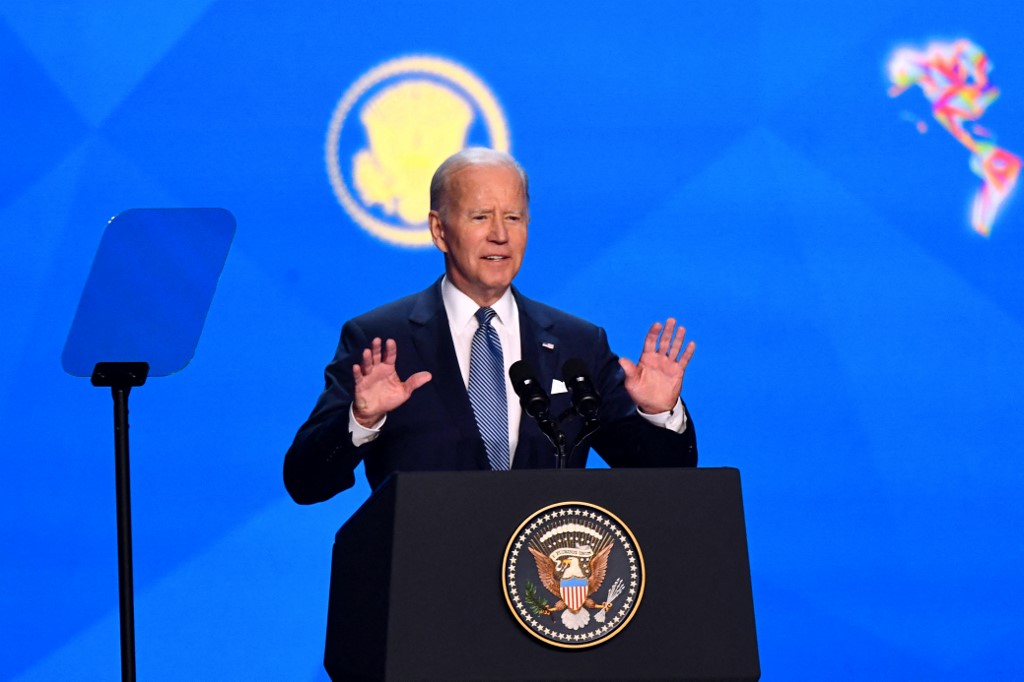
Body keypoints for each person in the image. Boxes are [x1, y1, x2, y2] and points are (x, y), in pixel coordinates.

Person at [284, 148, 697, 504]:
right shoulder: (380, 340)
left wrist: (659, 413)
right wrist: (363, 419)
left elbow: (659, 475)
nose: (500, 235)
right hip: (422, 582)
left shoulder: (578, 344)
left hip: (542, 589)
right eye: (480, 216)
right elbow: (306, 482)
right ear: (439, 230)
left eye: (514, 217)